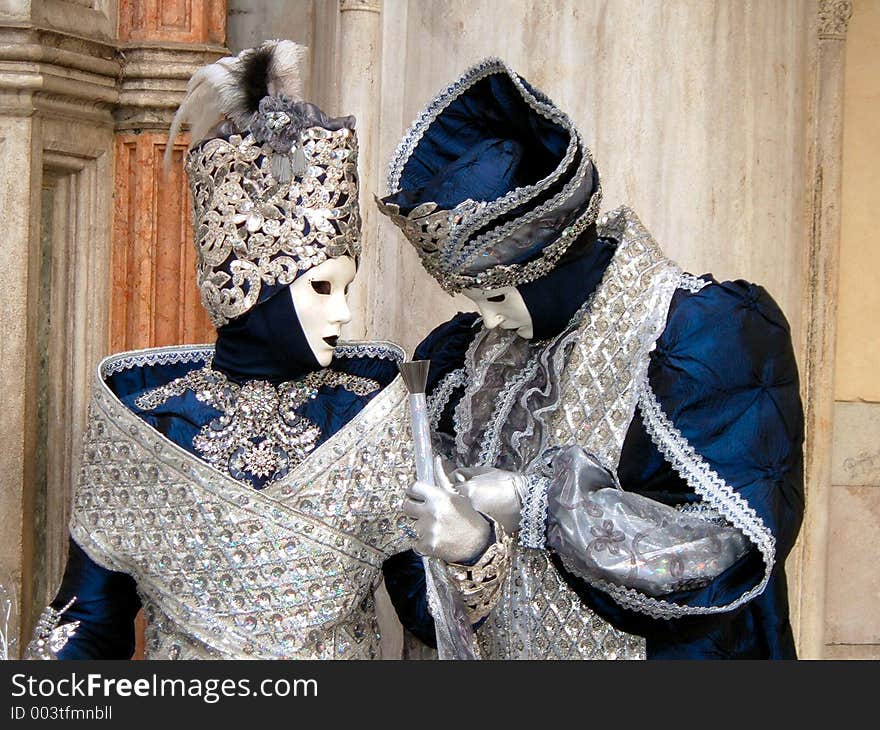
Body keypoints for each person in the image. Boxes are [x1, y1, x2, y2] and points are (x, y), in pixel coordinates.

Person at [378, 58, 804, 660]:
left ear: (551, 264)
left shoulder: (708, 337)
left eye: (496, 294)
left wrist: (536, 502)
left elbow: (721, 548)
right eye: (472, 298)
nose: (489, 319)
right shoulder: (465, 358)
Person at [26, 40, 417, 660]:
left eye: (346, 286)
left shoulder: (370, 411)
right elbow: (89, 621)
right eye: (320, 286)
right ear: (248, 290)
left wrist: (474, 548)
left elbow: (433, 613)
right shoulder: (148, 419)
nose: (343, 311)